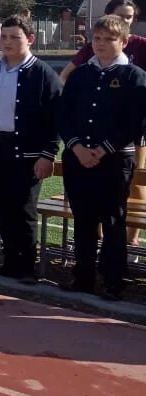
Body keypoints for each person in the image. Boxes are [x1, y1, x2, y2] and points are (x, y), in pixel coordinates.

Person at [0, 16, 62, 281]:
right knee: (2, 208)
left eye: (14, 37)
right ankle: (10, 262)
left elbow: (57, 118)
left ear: (29, 39)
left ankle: (26, 267)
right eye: (4, 37)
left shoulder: (42, 74)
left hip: (26, 155)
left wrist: (47, 153)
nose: (7, 42)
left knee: (23, 211)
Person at [58, 15, 146, 299]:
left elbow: (136, 122)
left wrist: (103, 148)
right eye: (97, 39)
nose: (102, 45)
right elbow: (64, 115)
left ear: (124, 42)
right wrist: (77, 147)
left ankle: (112, 280)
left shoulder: (134, 76)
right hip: (78, 158)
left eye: (109, 39)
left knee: (112, 220)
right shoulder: (81, 74)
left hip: (115, 161)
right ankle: (82, 277)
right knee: (83, 219)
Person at [59, 0, 144, 81]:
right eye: (119, 16)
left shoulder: (142, 44)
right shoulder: (93, 47)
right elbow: (64, 76)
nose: (125, 20)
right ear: (107, 16)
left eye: (129, 17)